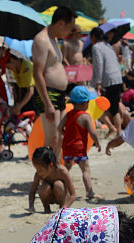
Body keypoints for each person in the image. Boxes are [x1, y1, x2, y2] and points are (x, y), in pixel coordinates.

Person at [31, 6, 77, 152]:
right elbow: (37, 73)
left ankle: (55, 165)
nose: (70, 33)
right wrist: (47, 103)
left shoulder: (54, 39)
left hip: (59, 94)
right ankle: (46, 167)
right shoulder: (42, 40)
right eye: (69, 28)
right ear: (61, 23)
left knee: (61, 137)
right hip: (48, 93)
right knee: (52, 138)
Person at [62, 85, 102, 200]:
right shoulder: (85, 116)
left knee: (66, 169)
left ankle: (63, 191)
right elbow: (92, 132)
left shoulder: (68, 114)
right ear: (85, 103)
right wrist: (97, 143)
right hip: (79, 149)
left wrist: (66, 135)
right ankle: (89, 192)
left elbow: (59, 128)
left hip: (67, 147)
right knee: (85, 169)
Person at [90, 26, 125, 139]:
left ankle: (114, 129)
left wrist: (98, 81)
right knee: (114, 107)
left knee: (102, 107)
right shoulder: (107, 45)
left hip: (108, 80)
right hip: (117, 78)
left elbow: (99, 64)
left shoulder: (96, 47)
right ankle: (116, 130)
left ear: (93, 37)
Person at [29, 145, 76, 212]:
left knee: (58, 184)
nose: (38, 172)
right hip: (49, 197)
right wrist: (31, 206)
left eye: (40, 170)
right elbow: (32, 191)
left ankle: (61, 208)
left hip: (62, 197)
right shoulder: (39, 174)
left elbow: (73, 194)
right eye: (37, 169)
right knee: (44, 187)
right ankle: (46, 208)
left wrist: (64, 208)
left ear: (51, 165)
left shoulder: (62, 172)